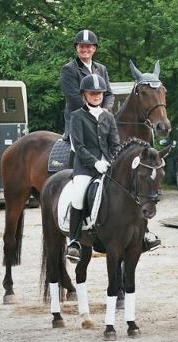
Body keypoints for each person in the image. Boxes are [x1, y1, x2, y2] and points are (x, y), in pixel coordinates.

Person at [67, 74, 120, 262]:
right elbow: (78, 147)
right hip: (85, 168)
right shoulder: (77, 117)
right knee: (79, 196)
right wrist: (95, 162)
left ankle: (140, 233)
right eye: (92, 93)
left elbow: (115, 144)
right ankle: (74, 241)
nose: (96, 96)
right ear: (84, 95)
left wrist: (113, 161)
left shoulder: (109, 117)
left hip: (108, 166)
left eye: (99, 93)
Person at [60, 29, 114, 141]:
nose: (85, 49)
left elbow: (108, 94)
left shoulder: (101, 69)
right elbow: (74, 98)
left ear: (94, 48)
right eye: (82, 46)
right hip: (79, 121)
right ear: (77, 48)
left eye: (88, 46)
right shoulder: (69, 69)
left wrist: (105, 109)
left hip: (102, 121)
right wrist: (96, 112)